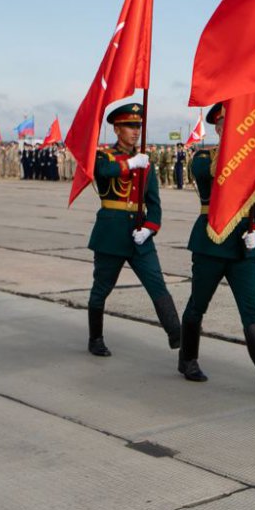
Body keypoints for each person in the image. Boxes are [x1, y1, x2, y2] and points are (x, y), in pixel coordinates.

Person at [177, 104, 255, 387]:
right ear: (219, 128)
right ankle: (188, 359)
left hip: (243, 245)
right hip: (211, 241)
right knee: (198, 304)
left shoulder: (253, 161)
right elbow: (208, 175)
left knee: (251, 308)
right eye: (227, 124)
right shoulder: (203, 157)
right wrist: (240, 153)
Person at [84, 103, 182, 357]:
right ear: (117, 129)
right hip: (111, 233)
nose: (136, 131)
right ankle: (95, 338)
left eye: (138, 126)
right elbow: (103, 171)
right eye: (130, 126)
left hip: (139, 235)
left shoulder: (146, 164)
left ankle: (176, 333)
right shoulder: (104, 156)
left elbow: (155, 205)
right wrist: (131, 164)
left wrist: (150, 228)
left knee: (157, 284)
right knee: (101, 289)